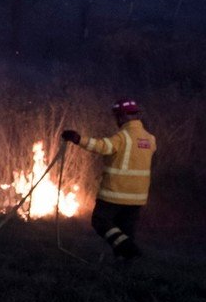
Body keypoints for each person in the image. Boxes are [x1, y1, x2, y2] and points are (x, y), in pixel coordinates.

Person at [62, 99, 156, 261]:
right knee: (125, 230)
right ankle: (125, 264)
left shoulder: (123, 137)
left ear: (124, 117)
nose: (117, 121)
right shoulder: (150, 139)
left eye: (118, 117)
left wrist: (78, 139)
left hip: (115, 192)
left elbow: (102, 146)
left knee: (100, 221)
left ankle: (130, 250)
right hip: (138, 196)